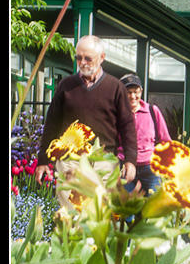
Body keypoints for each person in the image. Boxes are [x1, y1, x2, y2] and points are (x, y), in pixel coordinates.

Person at [36, 35, 138, 188]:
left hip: (104, 162)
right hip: (69, 161)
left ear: (102, 57)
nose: (82, 63)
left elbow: (127, 126)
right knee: (70, 210)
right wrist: (43, 160)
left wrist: (130, 160)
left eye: (88, 58)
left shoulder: (116, 87)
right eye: (79, 58)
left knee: (100, 211)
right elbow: (52, 124)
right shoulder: (66, 85)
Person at [119, 74, 173, 194]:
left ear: (141, 91)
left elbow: (166, 141)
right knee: (127, 209)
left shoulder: (153, 111)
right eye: (128, 92)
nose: (133, 96)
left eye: (136, 92)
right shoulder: (117, 114)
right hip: (125, 168)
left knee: (152, 209)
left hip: (150, 169)